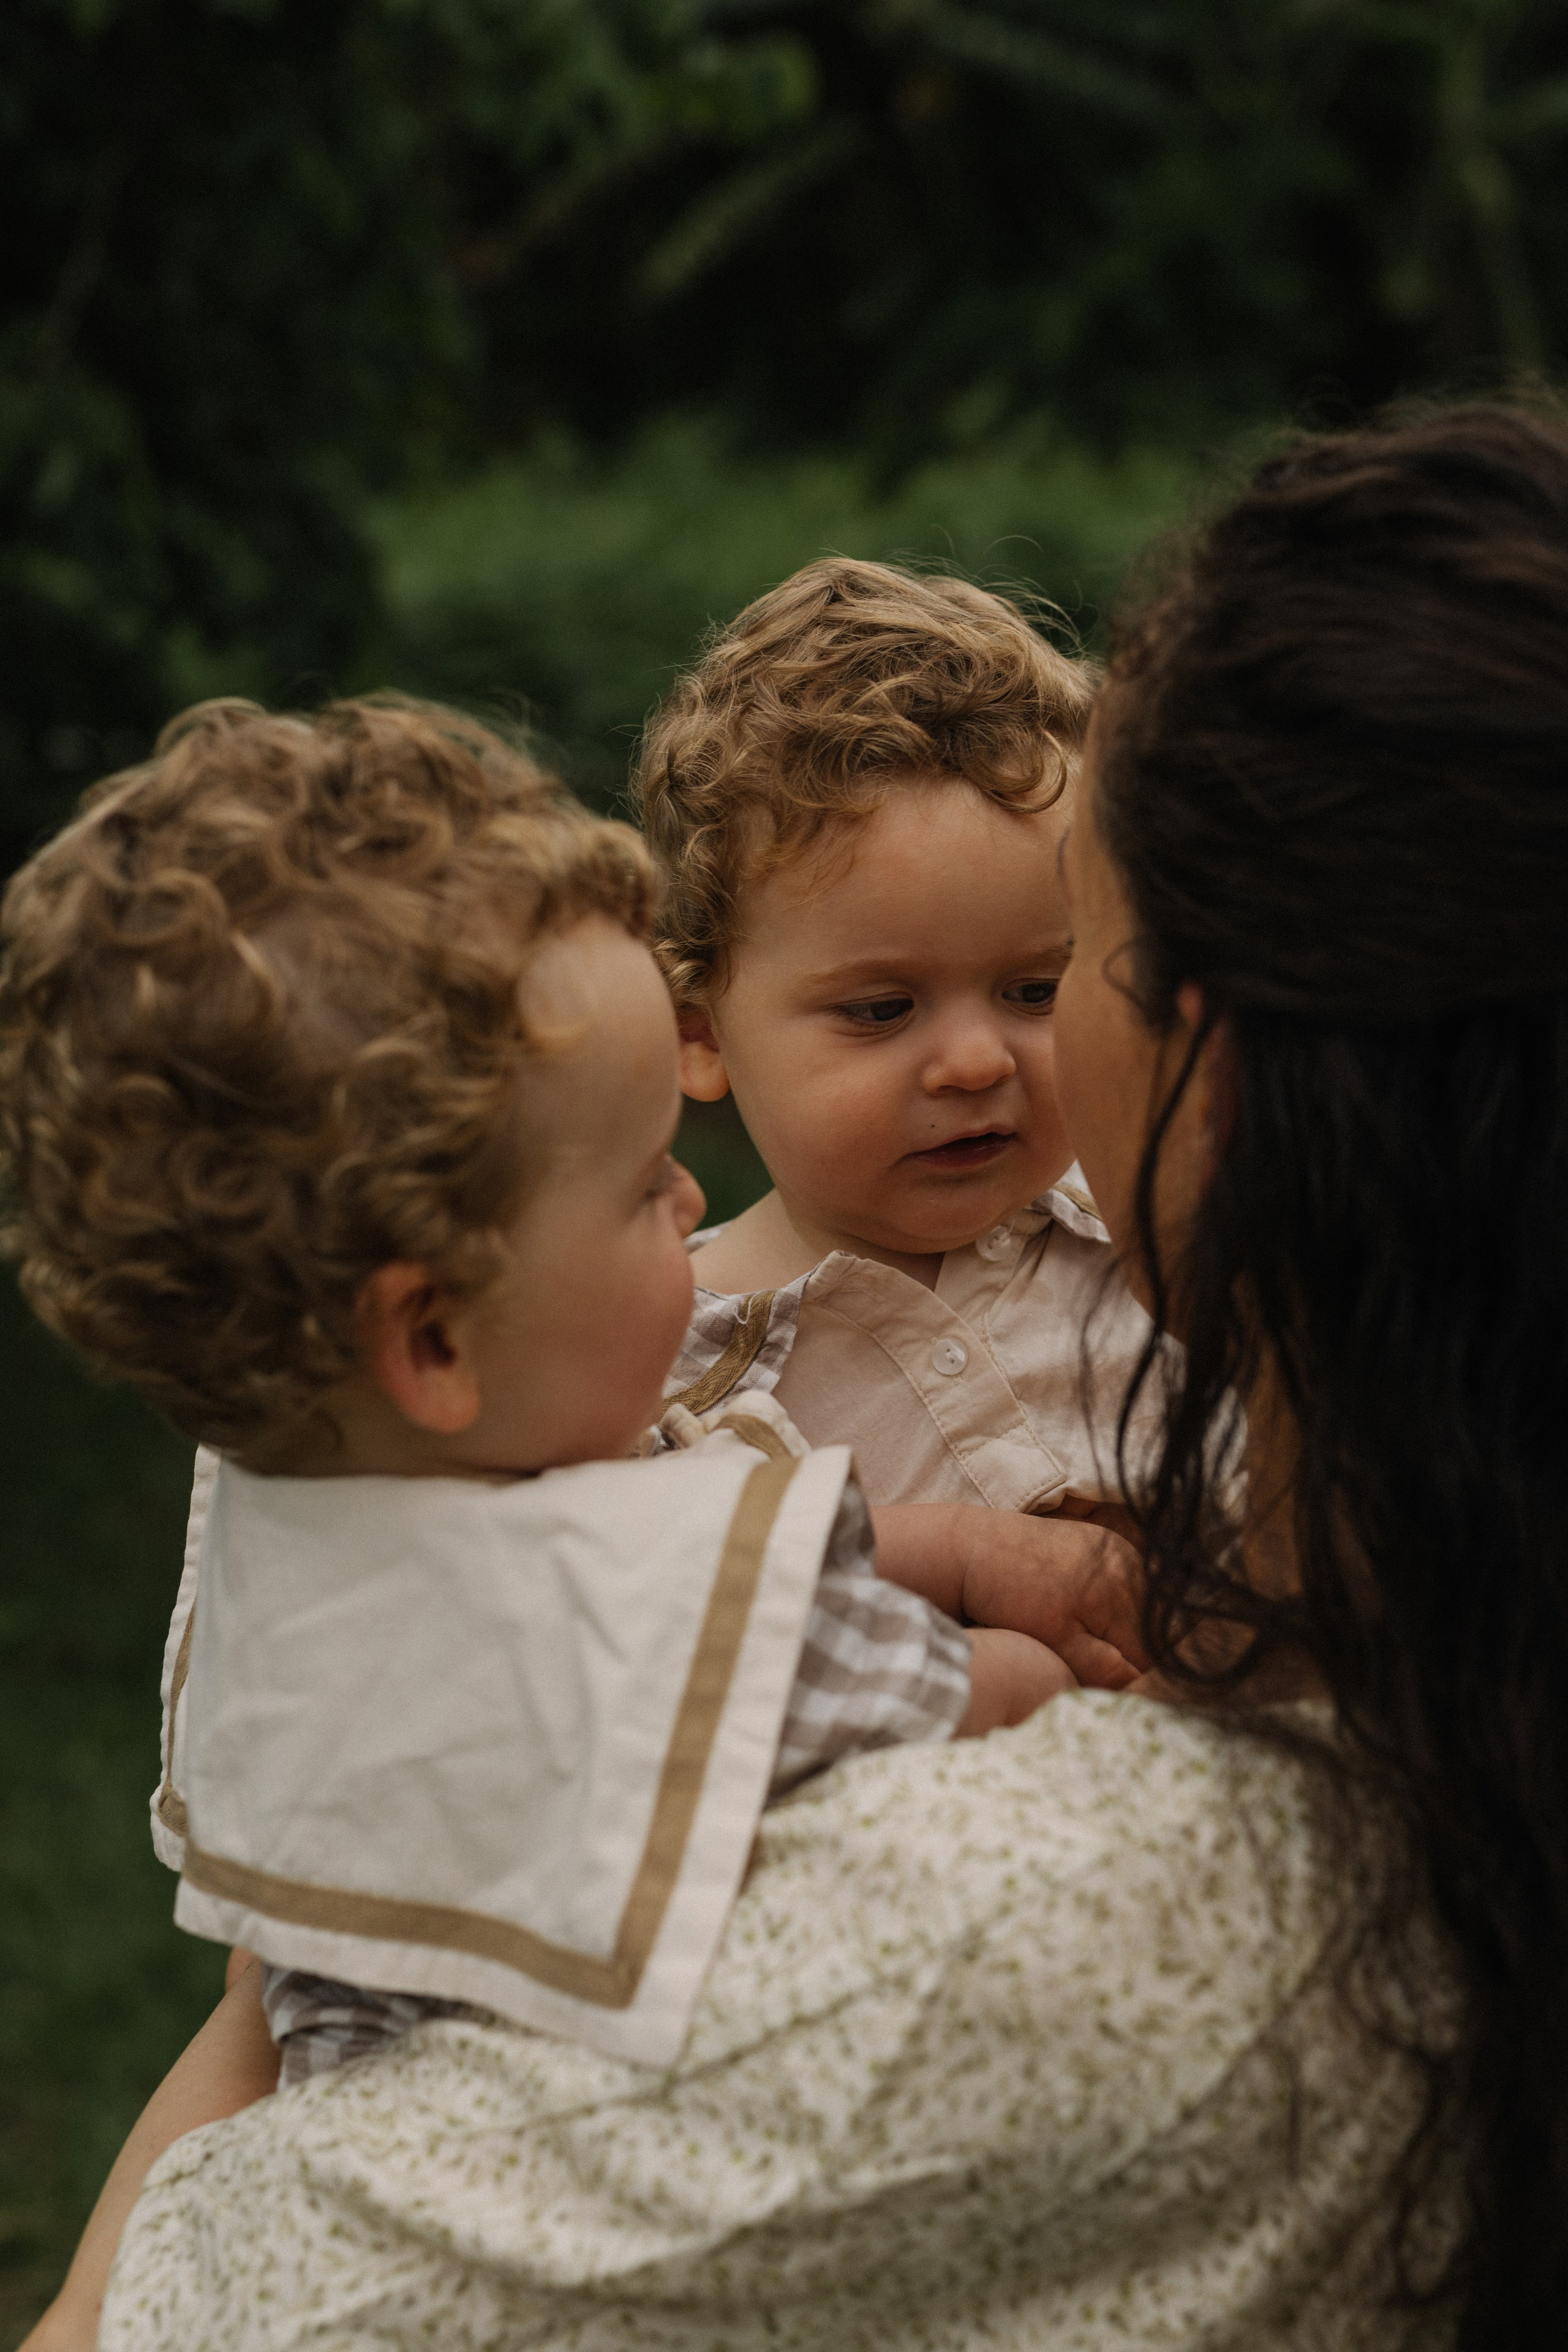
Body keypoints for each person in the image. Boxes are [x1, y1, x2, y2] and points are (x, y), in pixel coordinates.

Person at [88, 402, 1568, 2348]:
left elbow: (213, 2300)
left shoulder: (1042, 1959)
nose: (982, 1060)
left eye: (1062, 963)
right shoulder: (1469, 1706)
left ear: (1215, 1071)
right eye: (882, 1004)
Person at [2, 695, 1141, 2352]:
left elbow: (264, 1995)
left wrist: (77, 2316)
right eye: (636, 1188)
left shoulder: (301, 1533)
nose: (689, 1201)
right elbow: (981, 1703)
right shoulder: (698, 1645)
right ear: (435, 1343)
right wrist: (1053, 1647)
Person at [639, 559, 1156, 1526]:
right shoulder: (655, 1380)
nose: (977, 1063)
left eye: (1036, 991)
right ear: (698, 1034)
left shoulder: (1165, 1248)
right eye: (881, 1010)